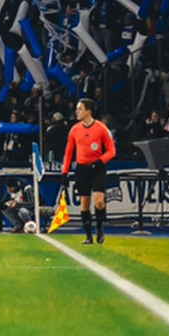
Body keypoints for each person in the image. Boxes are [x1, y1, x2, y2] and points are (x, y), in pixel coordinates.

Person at [62, 98, 119, 244]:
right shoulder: (75, 129)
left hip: (97, 168)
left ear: (88, 111)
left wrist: (100, 161)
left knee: (99, 201)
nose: (77, 112)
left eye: (79, 109)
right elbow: (68, 152)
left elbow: (112, 150)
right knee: (85, 203)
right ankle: (88, 236)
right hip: (82, 169)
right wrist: (64, 172)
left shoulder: (100, 128)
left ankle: (100, 230)